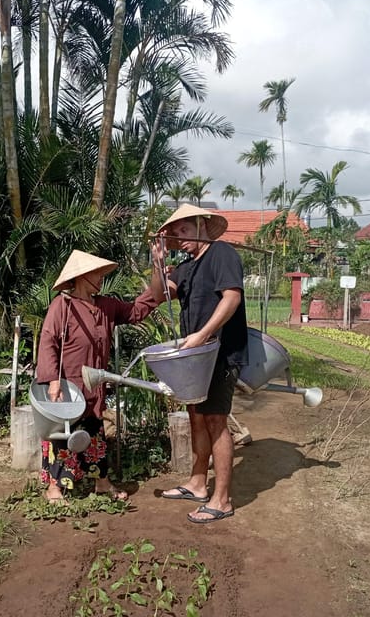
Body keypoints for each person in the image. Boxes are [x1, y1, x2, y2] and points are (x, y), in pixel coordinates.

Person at [35, 249, 160, 503]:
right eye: (96, 274)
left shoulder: (105, 306)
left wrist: (157, 280)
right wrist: (53, 380)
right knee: (62, 434)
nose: (101, 279)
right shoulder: (63, 305)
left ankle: (102, 483)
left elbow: (135, 311)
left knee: (94, 431)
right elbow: (48, 340)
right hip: (69, 384)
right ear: (81, 277)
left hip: (94, 385)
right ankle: (55, 488)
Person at [150, 203, 248, 524]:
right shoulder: (186, 266)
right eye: (175, 233)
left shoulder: (222, 254)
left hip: (220, 353)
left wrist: (204, 334)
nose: (180, 236)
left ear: (201, 224)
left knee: (216, 422)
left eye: (183, 229)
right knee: (196, 417)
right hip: (195, 358)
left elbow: (231, 297)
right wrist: (157, 264)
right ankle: (197, 483)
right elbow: (159, 294)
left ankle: (222, 500)